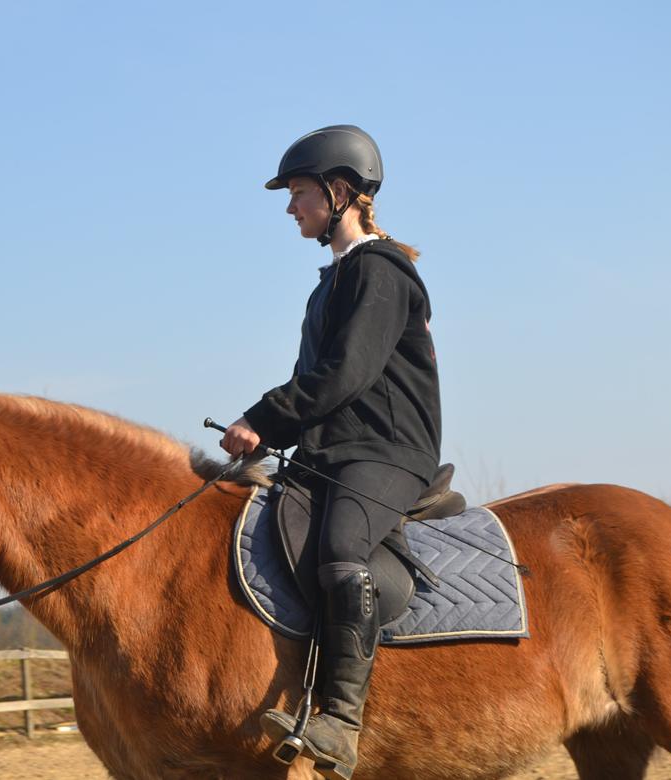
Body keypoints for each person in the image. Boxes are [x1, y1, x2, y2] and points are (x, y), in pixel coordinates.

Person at [220, 125, 442, 779]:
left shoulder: (379, 271)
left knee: (343, 548)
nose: (291, 207)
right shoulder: (330, 283)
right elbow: (317, 381)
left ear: (339, 191)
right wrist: (277, 437)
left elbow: (345, 375)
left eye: (298, 193)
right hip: (335, 449)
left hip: (388, 450)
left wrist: (263, 418)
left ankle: (341, 721)